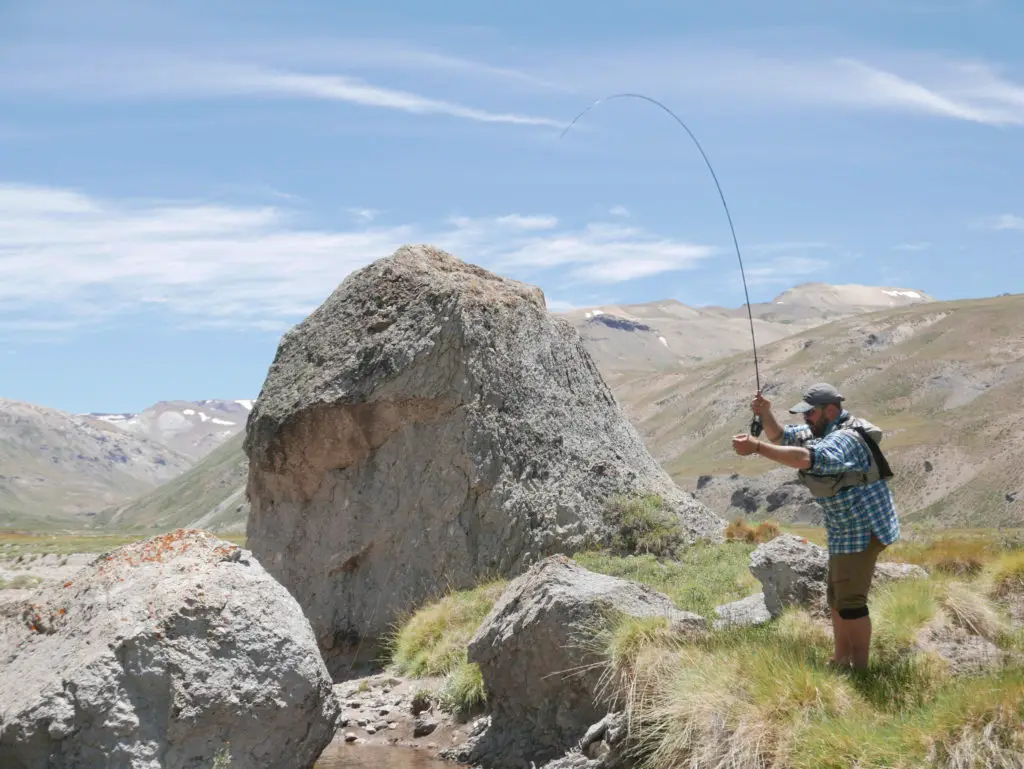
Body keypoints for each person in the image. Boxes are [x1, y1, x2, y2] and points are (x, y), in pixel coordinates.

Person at [731, 383, 900, 671]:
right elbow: (783, 438)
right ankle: (841, 658)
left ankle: (861, 671)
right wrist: (767, 413)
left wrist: (757, 447)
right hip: (845, 529)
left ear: (830, 410)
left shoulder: (844, 439)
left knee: (850, 603)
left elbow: (804, 458)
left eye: (810, 413)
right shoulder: (823, 429)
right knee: (835, 596)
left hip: (862, 528)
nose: (805, 419)